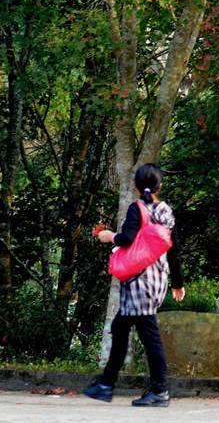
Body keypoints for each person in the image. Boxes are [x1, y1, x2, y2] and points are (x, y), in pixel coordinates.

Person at [84, 163, 185, 408]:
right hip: (156, 281)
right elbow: (174, 250)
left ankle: (159, 391)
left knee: (150, 337)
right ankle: (106, 384)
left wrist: (109, 236)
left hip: (139, 283)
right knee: (120, 327)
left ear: (136, 186)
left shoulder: (137, 209)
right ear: (160, 185)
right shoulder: (166, 211)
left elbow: (127, 238)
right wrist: (178, 283)